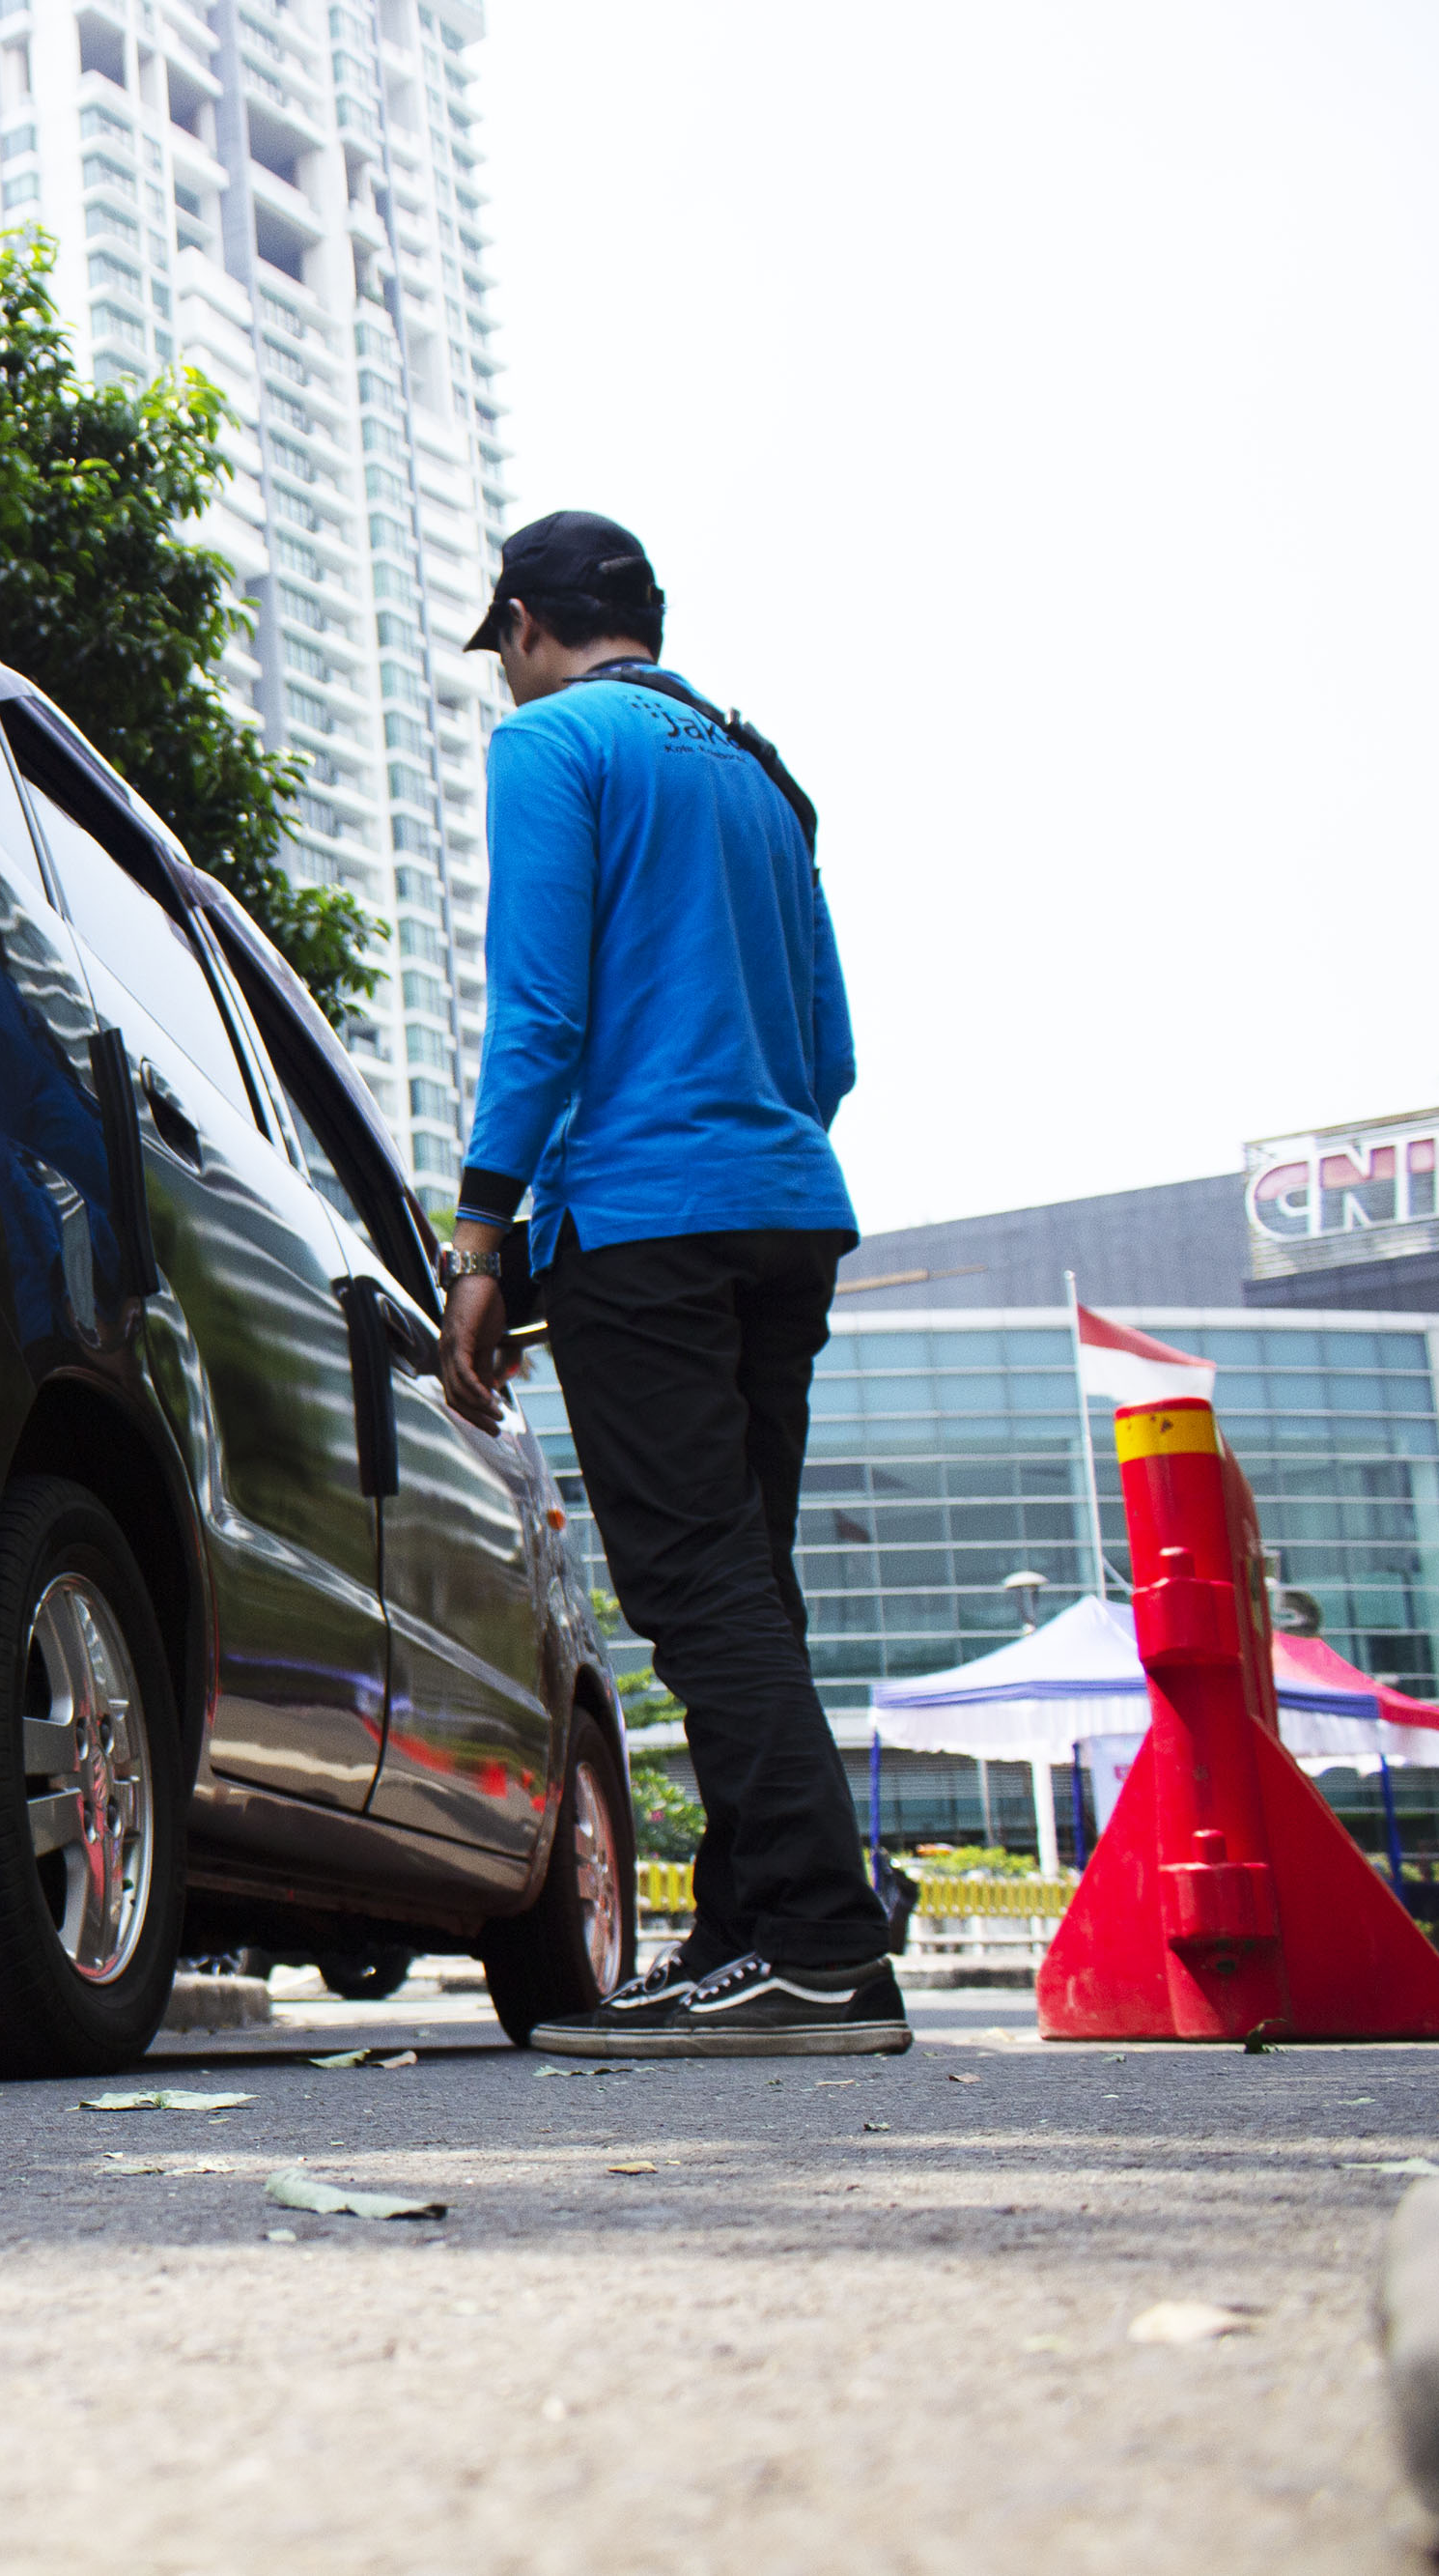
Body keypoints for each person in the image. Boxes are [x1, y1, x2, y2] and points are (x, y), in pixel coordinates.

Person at [430, 509, 907, 2059]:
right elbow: (830, 1052)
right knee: (747, 1583)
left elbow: (540, 1012)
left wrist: (482, 1241)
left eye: (500, 649)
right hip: (785, 1209)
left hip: (646, 1223)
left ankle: (823, 1945)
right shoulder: (763, 775)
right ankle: (754, 1935)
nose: (502, 675)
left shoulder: (552, 743)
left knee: (696, 1583)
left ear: (523, 625)